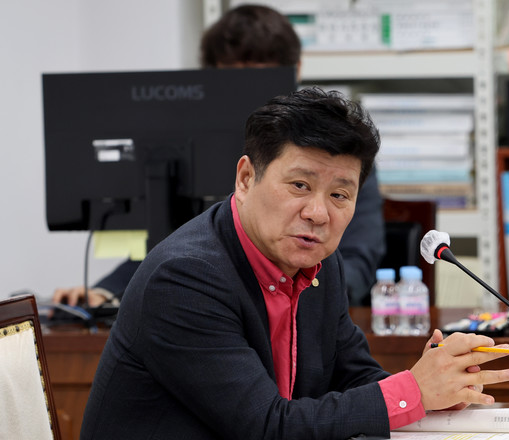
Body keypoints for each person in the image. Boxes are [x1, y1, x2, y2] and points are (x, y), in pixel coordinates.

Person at [69, 88, 509, 440]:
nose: (318, 213)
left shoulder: (319, 263)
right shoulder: (185, 278)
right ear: (246, 178)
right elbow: (265, 429)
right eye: (300, 185)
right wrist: (410, 392)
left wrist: (434, 394)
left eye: (339, 194)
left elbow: (352, 375)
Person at [52, 4, 385, 307]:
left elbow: (357, 262)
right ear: (245, 176)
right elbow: (170, 244)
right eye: (233, 86)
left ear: (294, 71)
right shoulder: (193, 152)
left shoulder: (336, 161)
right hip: (210, 305)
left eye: (260, 84)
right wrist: (108, 291)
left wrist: (292, 294)